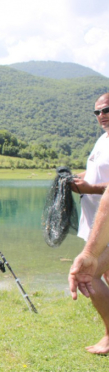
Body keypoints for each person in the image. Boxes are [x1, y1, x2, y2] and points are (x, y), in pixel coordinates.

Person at [69, 93, 109, 354]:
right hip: (97, 226)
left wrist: (91, 188)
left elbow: (101, 184)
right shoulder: (102, 140)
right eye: (97, 112)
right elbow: (97, 171)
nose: (101, 115)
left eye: (106, 109)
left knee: (91, 276)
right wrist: (79, 177)